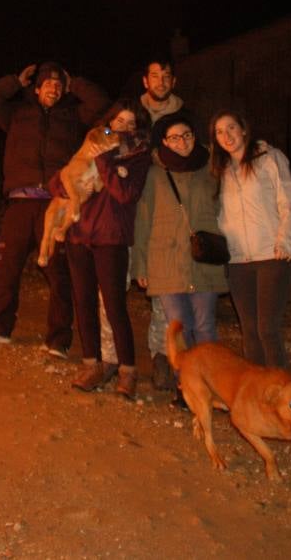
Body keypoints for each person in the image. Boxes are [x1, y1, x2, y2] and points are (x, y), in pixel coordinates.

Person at [0, 61, 109, 356]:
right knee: (8, 267)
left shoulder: (72, 116)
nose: (54, 88)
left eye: (59, 85)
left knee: (59, 273)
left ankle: (59, 339)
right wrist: (13, 82)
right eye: (48, 84)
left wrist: (78, 85)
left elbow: (102, 106)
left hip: (55, 203)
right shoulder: (17, 114)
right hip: (20, 202)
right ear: (36, 89)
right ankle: (0, 328)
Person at [129, 113, 228, 407]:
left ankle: (211, 386)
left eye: (187, 135)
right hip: (165, 259)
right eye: (174, 137)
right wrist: (140, 264)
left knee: (205, 325)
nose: (182, 142)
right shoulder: (154, 172)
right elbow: (143, 220)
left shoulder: (212, 169)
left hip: (203, 261)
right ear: (164, 141)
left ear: (195, 137)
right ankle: (185, 387)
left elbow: (225, 210)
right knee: (178, 327)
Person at [103, 57, 188, 387]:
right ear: (145, 81)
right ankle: (111, 356)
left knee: (162, 285)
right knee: (115, 283)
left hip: (161, 208)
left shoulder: (183, 117)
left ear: (173, 81)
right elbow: (102, 139)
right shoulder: (129, 115)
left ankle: (161, 355)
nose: (161, 81)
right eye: (155, 75)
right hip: (123, 207)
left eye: (167, 76)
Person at [59, 100, 152, 399]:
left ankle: (127, 370)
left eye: (130, 124)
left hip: (111, 236)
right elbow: (63, 178)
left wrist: (104, 160)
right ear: (108, 123)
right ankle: (91, 364)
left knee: (114, 306)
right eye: (118, 122)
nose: (122, 128)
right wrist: (70, 190)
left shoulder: (137, 156)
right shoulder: (91, 144)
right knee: (83, 301)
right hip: (79, 233)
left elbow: (125, 194)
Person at [210, 110, 291, 368]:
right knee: (249, 330)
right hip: (238, 260)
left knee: (267, 329)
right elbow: (219, 214)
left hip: (272, 255)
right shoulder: (221, 171)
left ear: (243, 129)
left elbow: (289, 203)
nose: (226, 135)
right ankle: (257, 393)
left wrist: (285, 241)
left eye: (231, 128)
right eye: (219, 132)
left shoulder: (270, 158)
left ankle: (279, 390)